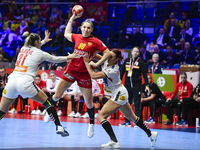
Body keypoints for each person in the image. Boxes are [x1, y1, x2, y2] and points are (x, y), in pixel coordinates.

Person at [0, 30, 77, 136]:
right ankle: (59, 126)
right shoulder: (40, 53)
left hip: (12, 81)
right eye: (40, 41)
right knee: (47, 103)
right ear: (36, 42)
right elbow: (55, 59)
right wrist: (70, 57)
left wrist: (44, 41)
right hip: (25, 82)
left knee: (2, 111)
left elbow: (32, 48)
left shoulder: (23, 48)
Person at [47, 12, 111, 138]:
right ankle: (49, 113)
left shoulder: (95, 41)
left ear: (91, 30)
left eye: (88, 28)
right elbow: (66, 34)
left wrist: (96, 63)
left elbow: (107, 53)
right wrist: (71, 17)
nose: (86, 29)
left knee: (88, 102)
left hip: (84, 74)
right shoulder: (77, 37)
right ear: (81, 28)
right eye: (84, 27)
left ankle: (91, 124)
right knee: (57, 95)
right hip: (71, 70)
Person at [83, 50, 158, 148]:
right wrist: (89, 54)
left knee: (101, 116)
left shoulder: (113, 69)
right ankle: (151, 134)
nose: (108, 57)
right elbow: (98, 57)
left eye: (111, 56)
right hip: (119, 92)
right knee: (132, 117)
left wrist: (86, 63)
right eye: (108, 55)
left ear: (117, 59)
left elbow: (93, 75)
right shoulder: (107, 61)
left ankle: (114, 141)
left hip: (119, 94)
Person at [120, 46, 149, 127]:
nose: (135, 53)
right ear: (132, 52)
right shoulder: (126, 61)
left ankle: (138, 122)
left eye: (137, 52)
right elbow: (122, 72)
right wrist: (119, 81)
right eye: (134, 51)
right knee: (127, 104)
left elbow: (145, 75)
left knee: (137, 104)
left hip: (136, 86)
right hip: (127, 86)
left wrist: (146, 85)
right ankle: (127, 121)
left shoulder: (141, 62)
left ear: (139, 53)